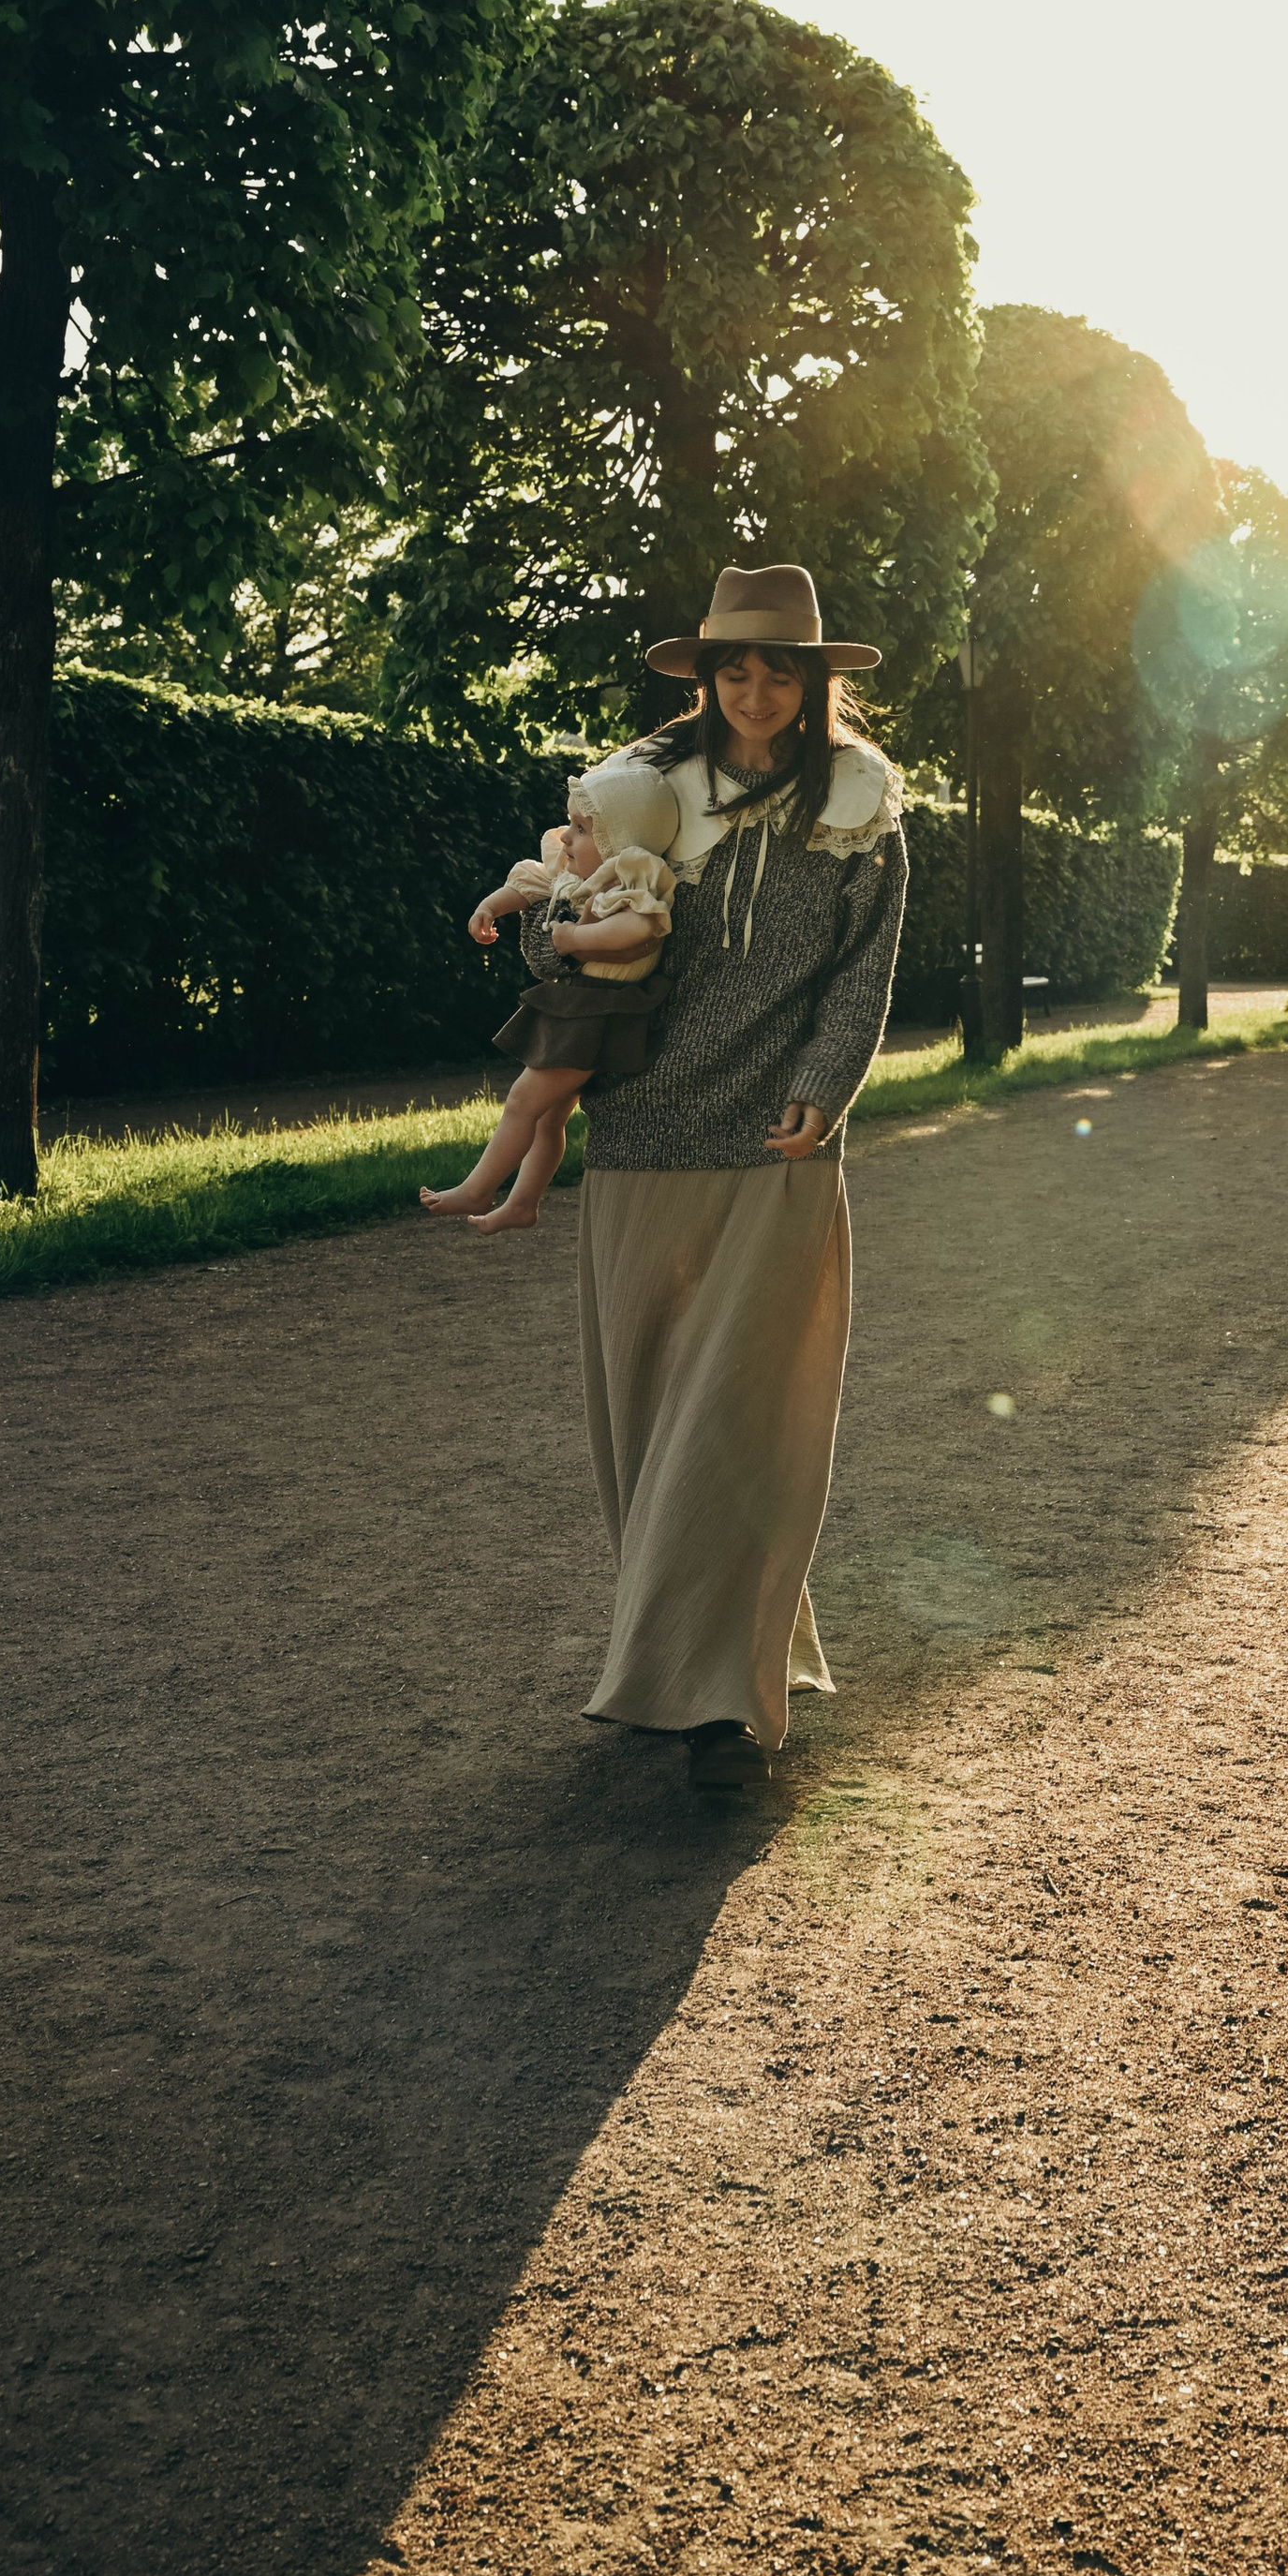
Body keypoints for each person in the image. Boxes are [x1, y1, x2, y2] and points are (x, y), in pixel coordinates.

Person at [526, 563, 909, 1801]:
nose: (754, 688)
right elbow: (554, 909)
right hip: (640, 1128)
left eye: (778, 667)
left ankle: (705, 1702)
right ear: (703, 675)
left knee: (743, 1413)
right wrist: (560, 926)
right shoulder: (642, 787)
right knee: (646, 1409)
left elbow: (862, 974)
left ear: (815, 681)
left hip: (780, 1141)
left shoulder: (864, 807)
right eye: (732, 666)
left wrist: (827, 1083)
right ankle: (715, 1647)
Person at [422, 760, 680, 1234]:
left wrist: (575, 941)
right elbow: (531, 882)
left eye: (580, 829)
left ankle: (479, 1188)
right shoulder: (573, 874)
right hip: (578, 1006)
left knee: (523, 1100)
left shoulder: (631, 875)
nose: (565, 838)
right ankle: (522, 1204)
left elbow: (642, 925)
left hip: (595, 1010)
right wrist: (490, 906)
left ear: (619, 842)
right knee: (546, 1118)